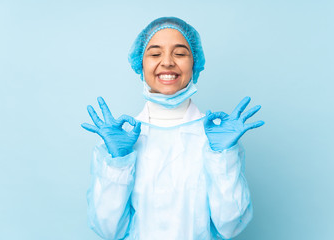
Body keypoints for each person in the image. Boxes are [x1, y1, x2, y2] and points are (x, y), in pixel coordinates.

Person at [81, 16, 264, 240]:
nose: (167, 62)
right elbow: (108, 230)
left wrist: (222, 158)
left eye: (179, 53)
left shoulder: (216, 139)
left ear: (195, 62)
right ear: (141, 63)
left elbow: (231, 226)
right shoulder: (119, 141)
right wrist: (118, 162)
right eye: (155, 54)